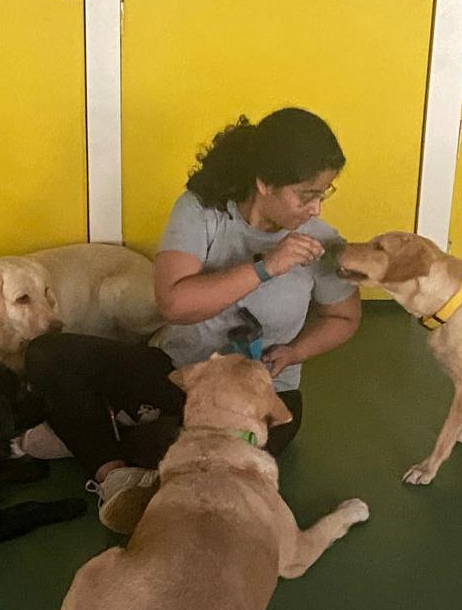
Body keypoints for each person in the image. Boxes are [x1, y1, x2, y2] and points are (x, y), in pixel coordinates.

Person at [22, 107, 362, 534]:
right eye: (305, 194)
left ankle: (90, 431)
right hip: (181, 374)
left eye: (324, 194)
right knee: (46, 354)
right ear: (264, 183)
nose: (315, 209)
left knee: (179, 456)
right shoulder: (202, 212)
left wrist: (295, 351)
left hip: (263, 397)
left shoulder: (322, 241)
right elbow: (174, 305)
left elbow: (344, 316)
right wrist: (265, 267)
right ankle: (114, 475)